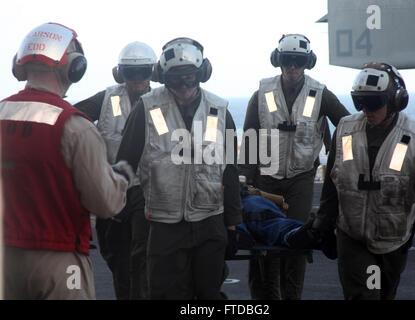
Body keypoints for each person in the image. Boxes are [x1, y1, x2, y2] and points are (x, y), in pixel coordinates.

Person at [1, 22, 133, 300]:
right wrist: (120, 179)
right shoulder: (74, 126)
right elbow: (105, 203)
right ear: (74, 66)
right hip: (59, 259)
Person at [300, 62, 415, 299]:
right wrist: (323, 226)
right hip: (352, 238)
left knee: (383, 295)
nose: (366, 110)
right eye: (359, 102)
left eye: (373, 103)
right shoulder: (345, 131)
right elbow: (333, 181)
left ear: (396, 100)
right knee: (365, 295)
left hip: (393, 241)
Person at [115, 37, 242, 299]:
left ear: (202, 74)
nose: (184, 86)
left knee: (209, 294)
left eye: (190, 78)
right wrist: (124, 209)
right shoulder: (147, 109)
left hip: (210, 220)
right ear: (163, 77)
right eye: (175, 80)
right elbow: (125, 164)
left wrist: (232, 223)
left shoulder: (219, 111)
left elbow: (229, 170)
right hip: (164, 225)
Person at [238, 33, 350, 300]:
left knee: (298, 241)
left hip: (300, 178)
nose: (292, 67)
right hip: (265, 179)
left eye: (298, 62)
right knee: (261, 245)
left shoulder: (320, 93)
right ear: (278, 61)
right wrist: (244, 180)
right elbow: (249, 137)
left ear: (307, 63)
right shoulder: (262, 94)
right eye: (287, 61)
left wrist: (335, 156)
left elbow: (348, 125)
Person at [74, 41, 157, 300]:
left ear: (151, 73)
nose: (137, 79)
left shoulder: (161, 103)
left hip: (145, 193)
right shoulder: (107, 99)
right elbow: (71, 118)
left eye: (143, 72)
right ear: (120, 74)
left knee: (139, 259)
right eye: (131, 73)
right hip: (111, 192)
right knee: (116, 258)